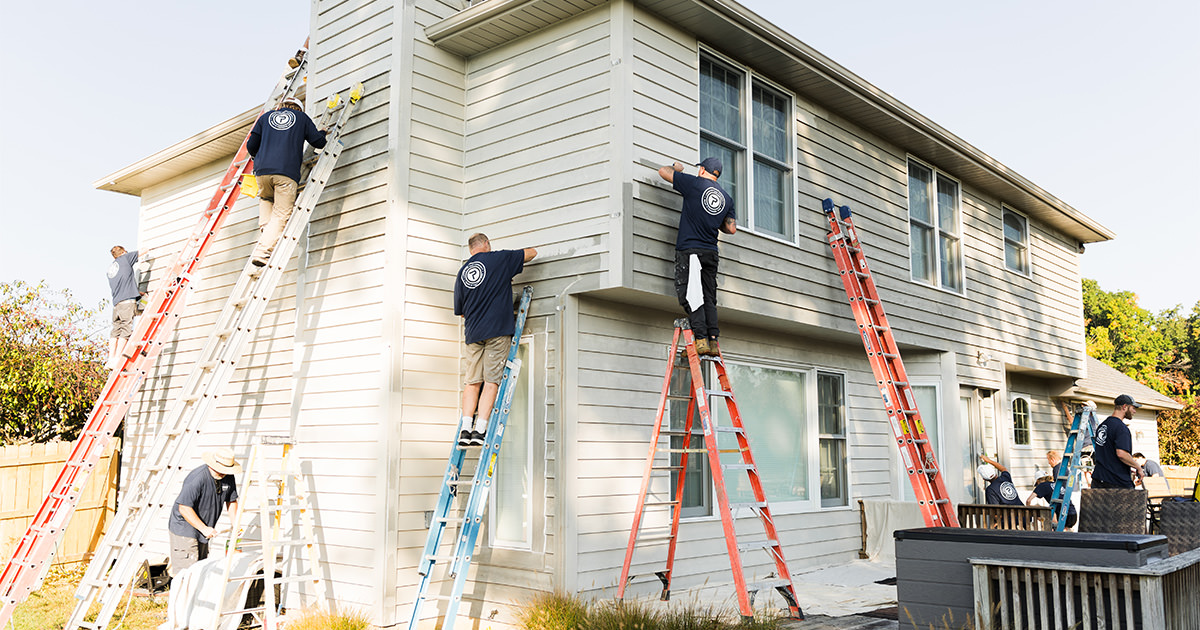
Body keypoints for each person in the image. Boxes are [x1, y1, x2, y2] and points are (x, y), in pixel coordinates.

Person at [453, 233, 537, 448]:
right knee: (491, 382)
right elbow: (532, 253)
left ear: (471, 249)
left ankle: (465, 429)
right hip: (497, 331)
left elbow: (461, 311)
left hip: (473, 334)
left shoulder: (463, 273)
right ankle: (480, 430)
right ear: (487, 244)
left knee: (472, 382)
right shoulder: (499, 259)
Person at [657, 157, 736, 356]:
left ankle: (700, 339)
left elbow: (663, 172)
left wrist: (677, 168)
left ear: (702, 170)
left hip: (690, 250)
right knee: (709, 296)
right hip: (711, 252)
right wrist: (711, 218)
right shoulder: (727, 198)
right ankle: (713, 341)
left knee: (690, 294)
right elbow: (731, 228)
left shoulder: (694, 184)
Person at [246, 96, 327, 267]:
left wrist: (262, 158)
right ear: (298, 108)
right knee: (282, 214)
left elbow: (251, 145)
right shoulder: (301, 118)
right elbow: (318, 143)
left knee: (267, 199)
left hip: (262, 172)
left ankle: (266, 236)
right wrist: (323, 133)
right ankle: (262, 252)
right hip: (285, 172)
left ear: (282, 106)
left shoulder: (265, 117)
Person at [167, 448, 241, 577]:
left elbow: (231, 500)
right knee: (187, 573)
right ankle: (182, 597)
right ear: (212, 464)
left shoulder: (228, 476)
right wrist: (205, 529)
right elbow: (184, 508)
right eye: (222, 470)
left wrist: (236, 523)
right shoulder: (197, 478)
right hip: (184, 527)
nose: (224, 473)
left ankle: (195, 597)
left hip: (204, 527)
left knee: (200, 568)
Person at [106, 245, 148, 369]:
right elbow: (144, 250)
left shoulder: (111, 269)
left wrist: (138, 293)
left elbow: (123, 285)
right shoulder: (125, 258)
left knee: (115, 331)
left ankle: (111, 358)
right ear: (123, 252)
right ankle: (118, 358)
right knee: (126, 330)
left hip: (117, 305)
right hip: (127, 304)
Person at [1091, 394, 1144, 489]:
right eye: (1133, 408)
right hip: (1116, 482)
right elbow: (1121, 454)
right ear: (1124, 407)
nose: (1134, 411)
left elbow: (1108, 454)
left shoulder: (1102, 426)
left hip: (1098, 481)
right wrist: (1138, 467)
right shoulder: (1121, 428)